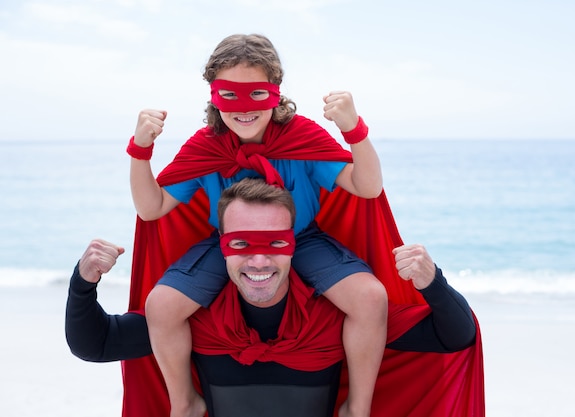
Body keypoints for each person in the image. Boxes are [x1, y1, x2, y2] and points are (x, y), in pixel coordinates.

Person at [66, 178, 483, 417]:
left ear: (294, 246)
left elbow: (455, 336)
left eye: (275, 243)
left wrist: (433, 283)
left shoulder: (340, 315)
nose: (260, 259)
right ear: (221, 247)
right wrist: (83, 282)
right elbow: (94, 344)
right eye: (243, 243)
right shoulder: (192, 318)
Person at [128, 34, 387, 417]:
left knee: (371, 298)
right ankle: (185, 403)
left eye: (256, 94)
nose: (243, 109)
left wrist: (354, 130)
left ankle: (357, 408)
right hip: (228, 246)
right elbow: (152, 209)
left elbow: (368, 187)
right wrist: (140, 150)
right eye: (230, 95)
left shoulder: (302, 136)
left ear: (276, 92)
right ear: (214, 96)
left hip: (302, 241)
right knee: (162, 306)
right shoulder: (206, 146)